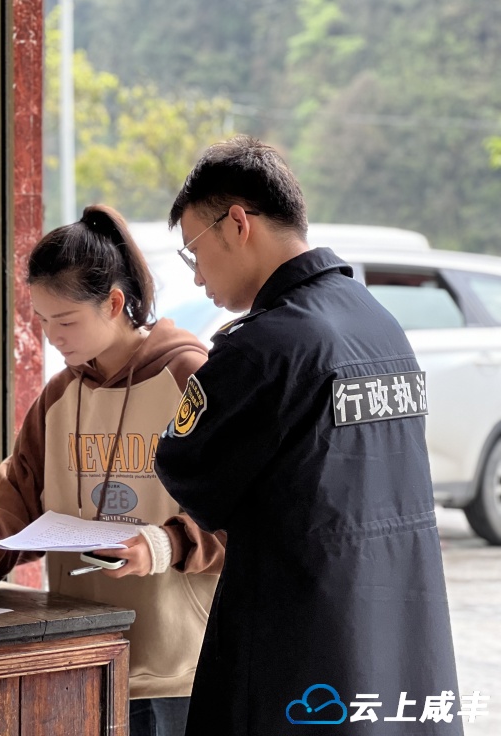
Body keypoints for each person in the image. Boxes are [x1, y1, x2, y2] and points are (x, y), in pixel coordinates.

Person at [153, 136, 463, 735]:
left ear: (237, 223)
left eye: (194, 252)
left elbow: (187, 465)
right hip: (395, 651)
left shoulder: (264, 348)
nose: (197, 281)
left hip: (296, 662)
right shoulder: (381, 326)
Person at [0, 205, 226, 736]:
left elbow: (243, 507)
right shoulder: (60, 395)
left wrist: (162, 545)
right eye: (42, 320)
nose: (52, 336)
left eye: (66, 321)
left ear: (115, 302)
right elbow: (16, 501)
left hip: (175, 670)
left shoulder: (189, 376)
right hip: (81, 659)